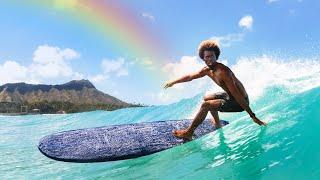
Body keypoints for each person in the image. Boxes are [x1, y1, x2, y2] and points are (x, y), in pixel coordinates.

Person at [164, 40, 267, 140]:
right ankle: (218, 124)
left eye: (212, 56)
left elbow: (237, 94)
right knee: (206, 98)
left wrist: (253, 116)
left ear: (216, 56)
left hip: (239, 102)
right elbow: (190, 76)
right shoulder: (207, 70)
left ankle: (189, 133)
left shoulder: (223, 71)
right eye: (206, 57)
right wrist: (173, 82)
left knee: (206, 105)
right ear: (203, 58)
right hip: (230, 96)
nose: (209, 59)